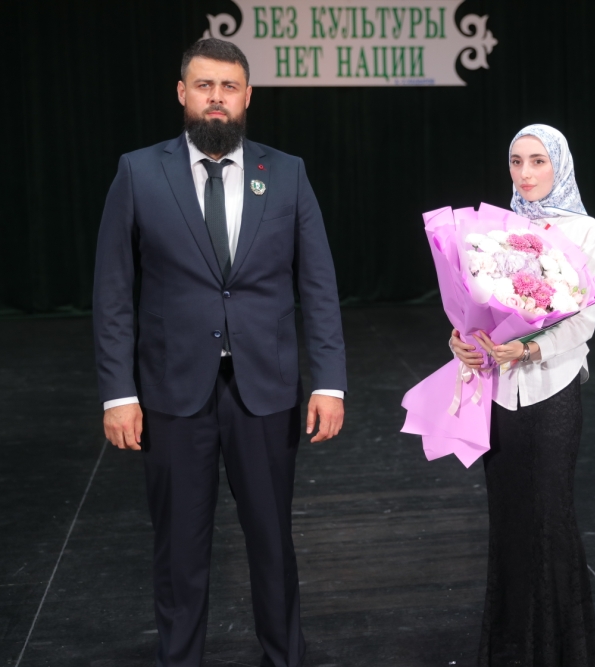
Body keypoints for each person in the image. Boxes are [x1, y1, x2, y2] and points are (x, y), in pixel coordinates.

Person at [92, 38, 347, 667]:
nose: (216, 98)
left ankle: (284, 658)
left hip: (265, 391)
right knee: (179, 550)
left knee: (273, 544)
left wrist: (329, 382)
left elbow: (317, 284)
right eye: (204, 85)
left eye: (228, 87)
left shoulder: (286, 172)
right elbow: (113, 291)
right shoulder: (138, 172)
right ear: (182, 93)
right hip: (172, 392)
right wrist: (118, 392)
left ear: (247, 96)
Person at [450, 124, 595, 666]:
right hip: (499, 396)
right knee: (509, 520)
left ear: (559, 165)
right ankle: (512, 650)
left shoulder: (584, 231)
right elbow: (474, 308)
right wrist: (460, 340)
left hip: (552, 390)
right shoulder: (496, 227)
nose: (526, 172)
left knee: (549, 517)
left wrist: (529, 350)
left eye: (538, 161)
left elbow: (583, 320)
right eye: (517, 161)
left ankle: (561, 652)